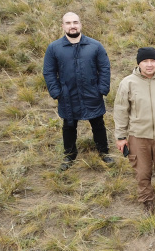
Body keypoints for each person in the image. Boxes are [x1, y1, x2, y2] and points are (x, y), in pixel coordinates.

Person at [113, 47, 155, 214]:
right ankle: (147, 201)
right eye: (145, 61)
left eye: (153, 61)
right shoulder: (127, 83)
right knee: (142, 172)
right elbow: (121, 111)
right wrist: (121, 136)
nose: (149, 65)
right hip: (138, 136)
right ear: (139, 63)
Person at [43, 12, 113, 170]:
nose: (72, 25)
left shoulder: (95, 46)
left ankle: (104, 152)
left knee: (98, 124)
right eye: (68, 23)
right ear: (63, 26)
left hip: (92, 93)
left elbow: (104, 68)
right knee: (68, 126)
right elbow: (48, 72)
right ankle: (69, 155)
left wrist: (101, 89)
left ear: (80, 24)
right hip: (68, 95)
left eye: (75, 22)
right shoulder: (54, 48)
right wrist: (57, 92)